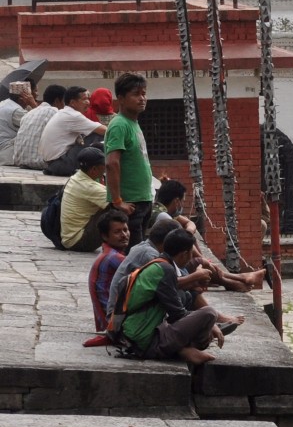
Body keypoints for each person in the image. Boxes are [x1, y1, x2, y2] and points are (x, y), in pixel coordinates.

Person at [118, 227, 228, 366]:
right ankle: (183, 349)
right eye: (190, 254)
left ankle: (184, 348)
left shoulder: (158, 264)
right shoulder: (166, 270)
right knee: (209, 313)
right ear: (184, 254)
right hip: (144, 341)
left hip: (133, 335)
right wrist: (211, 324)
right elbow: (178, 314)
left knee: (185, 295)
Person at [101, 74, 153, 234]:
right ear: (121, 98)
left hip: (142, 200)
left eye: (143, 93)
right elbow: (111, 163)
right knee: (132, 255)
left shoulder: (133, 123)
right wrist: (118, 202)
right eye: (136, 94)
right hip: (129, 204)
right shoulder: (119, 124)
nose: (142, 98)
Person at [40, 86, 105, 173]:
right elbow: (104, 130)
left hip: (52, 165)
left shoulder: (63, 112)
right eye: (84, 99)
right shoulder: (73, 116)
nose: (88, 102)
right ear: (73, 103)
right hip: (61, 164)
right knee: (97, 135)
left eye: (88, 99)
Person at [56, 147, 110, 250]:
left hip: (68, 239)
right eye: (103, 166)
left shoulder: (75, 178)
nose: (105, 169)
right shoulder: (89, 187)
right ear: (94, 169)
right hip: (79, 241)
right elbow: (116, 200)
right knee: (116, 207)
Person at [87, 212, 130, 333]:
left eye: (126, 230)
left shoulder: (108, 253)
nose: (124, 235)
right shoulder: (113, 257)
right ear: (105, 236)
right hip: (112, 324)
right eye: (117, 232)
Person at [8, 85, 63, 168]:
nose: (37, 94)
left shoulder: (28, 113)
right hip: (38, 162)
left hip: (20, 160)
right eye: (35, 91)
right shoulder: (54, 112)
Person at [0, 81, 32, 152]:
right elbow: (37, 123)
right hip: (7, 151)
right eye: (30, 96)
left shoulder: (5, 103)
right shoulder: (16, 111)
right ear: (22, 99)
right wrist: (33, 104)